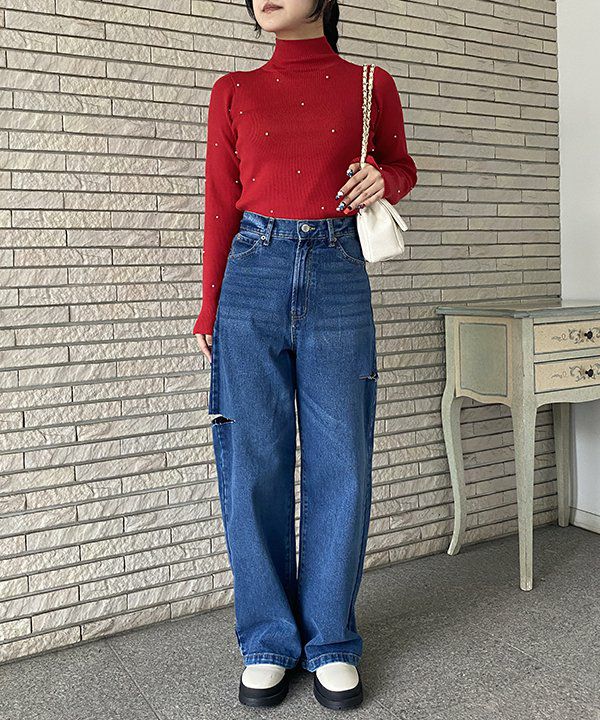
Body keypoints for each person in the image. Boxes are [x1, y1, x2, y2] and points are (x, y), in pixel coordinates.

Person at [193, 0, 417, 710]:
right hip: (251, 275)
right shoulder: (233, 90)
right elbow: (221, 200)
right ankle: (266, 641)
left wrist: (385, 179)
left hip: (337, 272)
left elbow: (402, 167)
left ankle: (331, 642)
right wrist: (209, 304)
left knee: (340, 462)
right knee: (252, 460)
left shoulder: (370, 83)